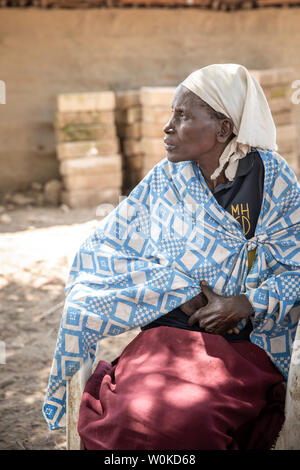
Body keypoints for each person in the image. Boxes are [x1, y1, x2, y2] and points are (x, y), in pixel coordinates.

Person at [43, 64, 300, 450]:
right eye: (170, 114)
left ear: (223, 128)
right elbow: (104, 251)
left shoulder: (274, 182)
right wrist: (175, 289)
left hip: (242, 349)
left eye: (182, 116)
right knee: (133, 418)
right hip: (165, 338)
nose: (167, 127)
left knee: (188, 422)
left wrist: (245, 303)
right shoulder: (166, 179)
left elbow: (296, 269)